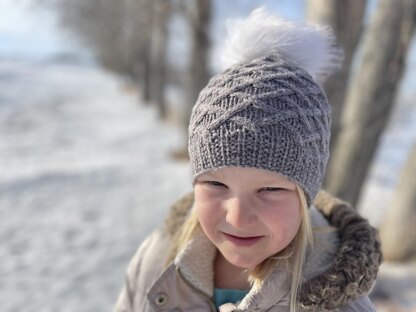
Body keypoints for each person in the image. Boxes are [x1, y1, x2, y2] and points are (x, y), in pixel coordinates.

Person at [115, 8, 382, 312]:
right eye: (216, 183)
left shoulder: (340, 305)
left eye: (270, 189)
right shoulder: (157, 260)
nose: (238, 217)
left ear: (305, 194)